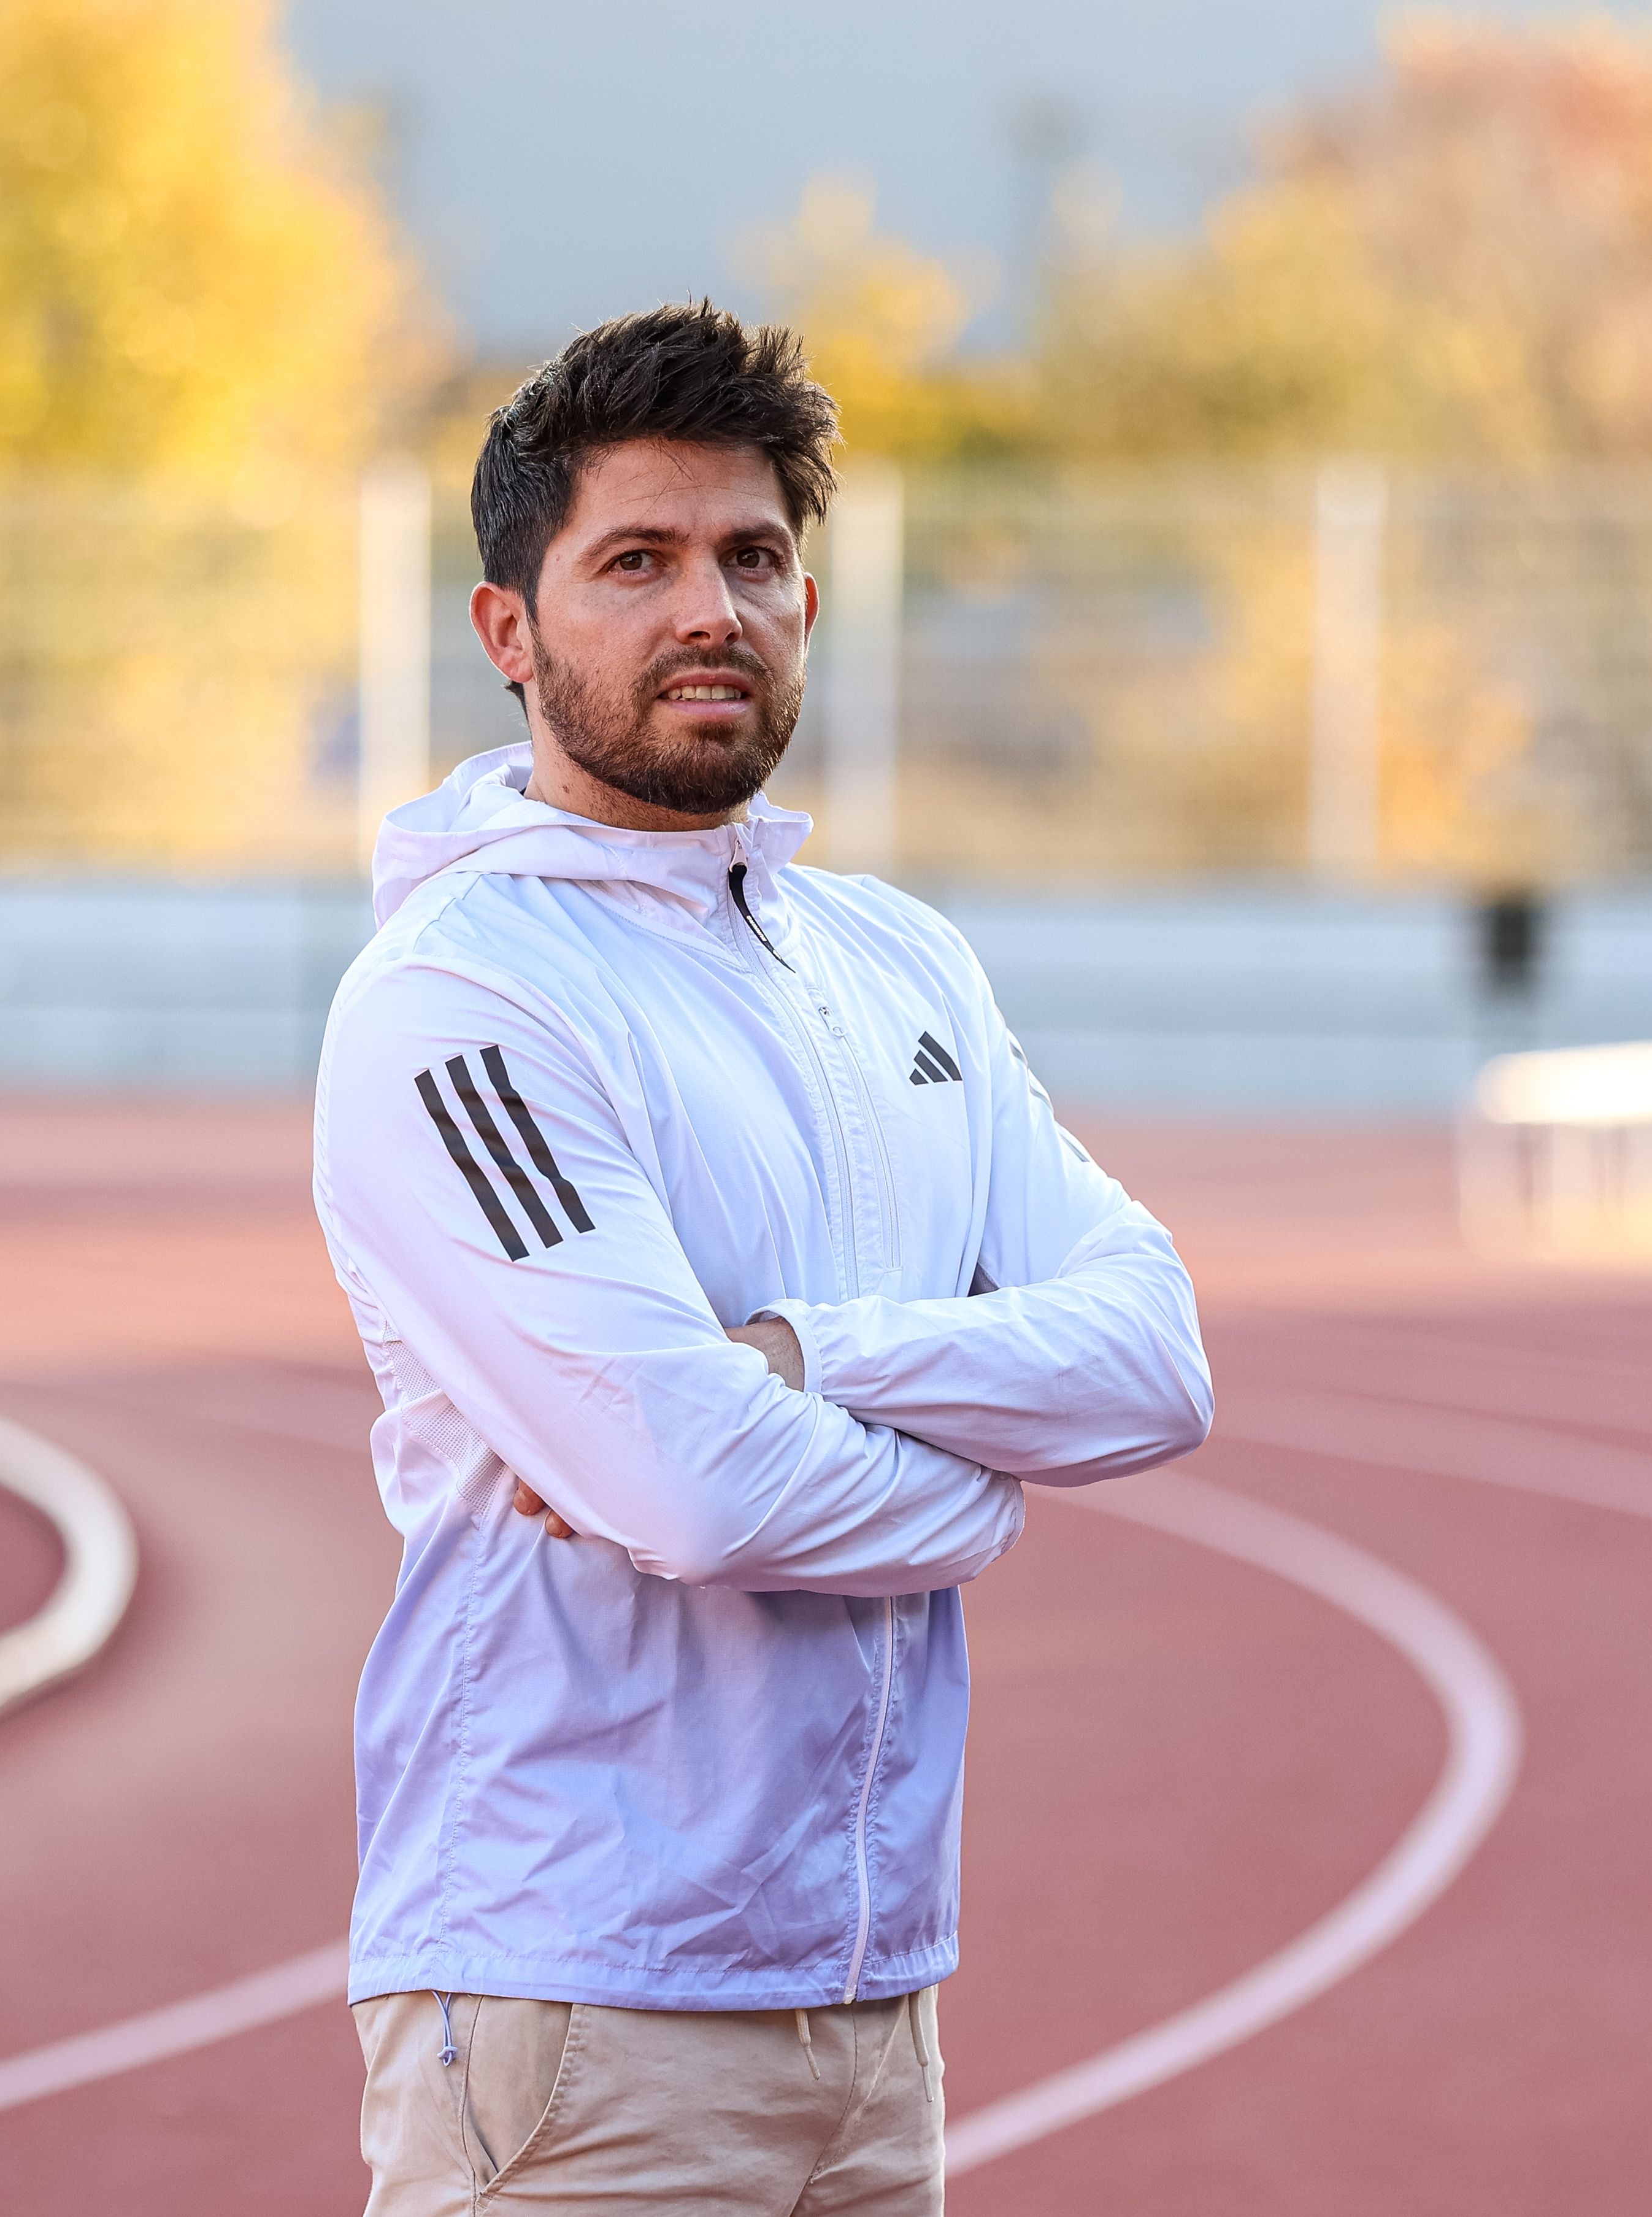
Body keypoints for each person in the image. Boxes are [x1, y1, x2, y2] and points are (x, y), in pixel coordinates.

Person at [310, 302, 1216, 2216]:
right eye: (632, 562)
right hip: (577, 2005)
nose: (706, 606)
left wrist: (801, 1355)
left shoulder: (898, 964)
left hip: (869, 1999)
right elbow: (688, 1484)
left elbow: (1150, 1360)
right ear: (512, 632)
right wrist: (981, 1491)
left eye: (750, 557)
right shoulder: (466, 997)